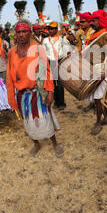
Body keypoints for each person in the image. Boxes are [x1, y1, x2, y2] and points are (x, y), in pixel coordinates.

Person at [6, 20, 63, 157]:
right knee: (28, 122)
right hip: (22, 95)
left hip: (38, 92)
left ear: (30, 33)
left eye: (24, 31)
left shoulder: (38, 48)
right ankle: (36, 143)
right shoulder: (12, 52)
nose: (21, 35)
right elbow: (9, 76)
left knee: (46, 119)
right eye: (18, 32)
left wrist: (50, 92)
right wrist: (11, 98)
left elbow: (48, 72)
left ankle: (55, 143)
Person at [83, 10, 107, 135]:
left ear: (101, 21)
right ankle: (106, 117)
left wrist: (103, 75)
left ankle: (98, 122)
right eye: (91, 20)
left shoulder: (106, 36)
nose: (92, 22)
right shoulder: (93, 35)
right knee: (97, 97)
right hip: (93, 69)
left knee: (98, 98)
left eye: (94, 20)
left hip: (101, 70)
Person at [42, 21, 71, 109]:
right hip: (50, 62)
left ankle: (62, 103)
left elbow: (66, 50)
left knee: (60, 83)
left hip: (60, 61)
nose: (50, 30)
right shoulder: (46, 40)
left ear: (56, 29)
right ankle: (56, 102)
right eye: (49, 29)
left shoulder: (61, 39)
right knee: (52, 83)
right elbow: (43, 52)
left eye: (52, 29)